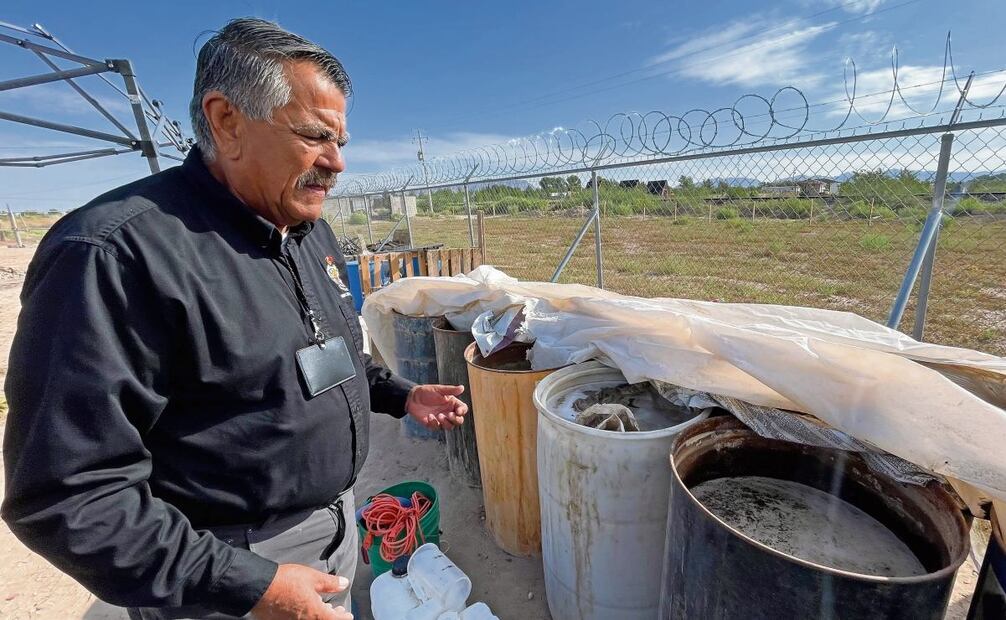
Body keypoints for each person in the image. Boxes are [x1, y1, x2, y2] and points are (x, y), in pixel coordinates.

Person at [1, 17, 467, 620]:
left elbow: (318, 357)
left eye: (341, 142)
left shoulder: (305, 232)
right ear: (226, 121)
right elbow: (68, 495)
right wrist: (249, 584)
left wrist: (400, 395)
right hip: (224, 571)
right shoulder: (114, 256)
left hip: (335, 534)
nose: (337, 163)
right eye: (314, 136)